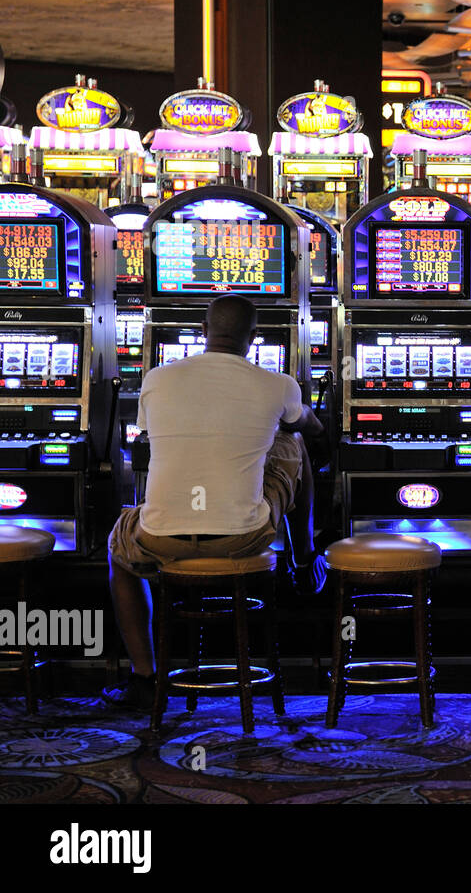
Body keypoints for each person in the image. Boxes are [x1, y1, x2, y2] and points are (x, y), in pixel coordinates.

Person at [102, 294, 324, 708]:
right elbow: (309, 427)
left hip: (160, 538)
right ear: (254, 338)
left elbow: (147, 439)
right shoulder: (277, 384)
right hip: (244, 537)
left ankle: (145, 679)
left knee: (118, 553)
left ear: (203, 332)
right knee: (292, 442)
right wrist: (294, 415)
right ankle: (305, 559)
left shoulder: (156, 378)